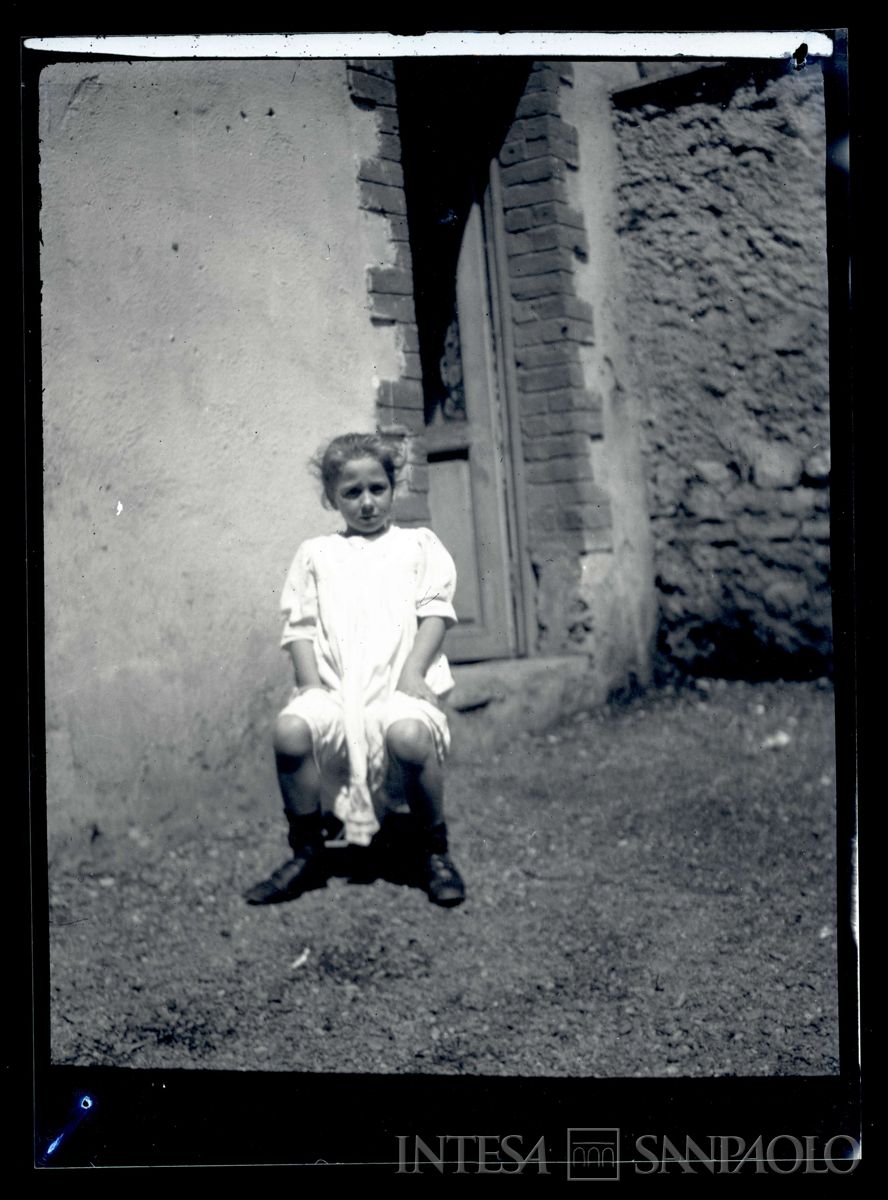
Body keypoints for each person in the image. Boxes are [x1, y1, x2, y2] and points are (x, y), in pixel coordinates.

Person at [244, 431, 466, 908]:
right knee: (290, 731)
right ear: (332, 498)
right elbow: (300, 627)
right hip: (337, 691)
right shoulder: (317, 554)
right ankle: (308, 852)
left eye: (377, 489)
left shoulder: (417, 546)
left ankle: (434, 851)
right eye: (351, 492)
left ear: (393, 488)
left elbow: (435, 613)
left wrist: (413, 673)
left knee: (408, 735)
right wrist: (310, 685)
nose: (367, 503)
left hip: (397, 686)